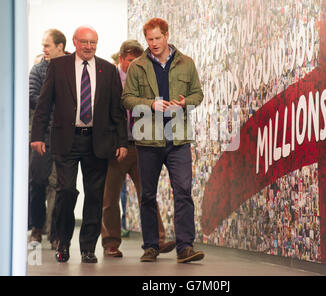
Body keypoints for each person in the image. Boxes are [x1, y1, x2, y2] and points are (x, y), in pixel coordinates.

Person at [31, 25, 128, 264]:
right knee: (65, 191)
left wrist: (122, 141)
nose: (88, 47)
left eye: (93, 42)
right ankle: (62, 242)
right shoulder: (58, 67)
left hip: (98, 140)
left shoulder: (108, 69)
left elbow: (117, 111)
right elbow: (44, 105)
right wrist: (37, 136)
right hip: (66, 139)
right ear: (74, 42)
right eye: (84, 42)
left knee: (95, 196)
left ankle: (88, 248)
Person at [123, 18, 205, 263]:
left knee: (183, 192)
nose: (154, 43)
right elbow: (127, 99)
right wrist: (150, 104)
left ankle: (185, 247)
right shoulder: (137, 66)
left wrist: (184, 103)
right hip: (148, 140)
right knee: (147, 194)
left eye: (158, 38)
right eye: (150, 39)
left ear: (167, 35)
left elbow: (198, 94)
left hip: (178, 139)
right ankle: (150, 246)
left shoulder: (186, 63)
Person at [101, 40, 176, 257]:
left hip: (142, 145)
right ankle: (111, 243)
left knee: (148, 195)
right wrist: (115, 143)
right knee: (110, 198)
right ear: (122, 59)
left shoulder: (143, 78)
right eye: (131, 61)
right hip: (117, 147)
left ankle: (157, 240)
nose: (135, 65)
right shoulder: (109, 79)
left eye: (138, 61)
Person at [29, 29, 67, 249]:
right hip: (42, 136)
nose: (43, 49)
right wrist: (56, 103)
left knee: (61, 186)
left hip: (65, 136)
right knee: (38, 182)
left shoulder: (72, 68)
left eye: (47, 45)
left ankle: (55, 233)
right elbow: (33, 98)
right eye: (43, 45)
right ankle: (37, 227)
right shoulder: (38, 70)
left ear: (59, 46)